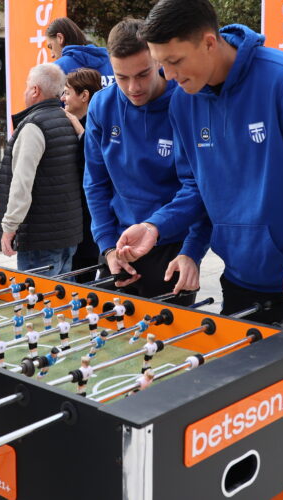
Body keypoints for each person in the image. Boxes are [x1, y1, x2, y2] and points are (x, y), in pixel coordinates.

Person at [118, 0, 283, 499]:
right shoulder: (184, 101)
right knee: (247, 405)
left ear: (210, 42)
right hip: (243, 280)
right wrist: (159, 228)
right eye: (162, 65)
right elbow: (197, 187)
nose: (168, 76)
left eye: (175, 62)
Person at [84, 18, 199, 303]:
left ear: (157, 59)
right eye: (121, 77)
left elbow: (199, 188)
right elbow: (95, 183)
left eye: (143, 74)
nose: (133, 87)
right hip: (117, 246)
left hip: (171, 246)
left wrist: (191, 250)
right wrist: (107, 247)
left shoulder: (188, 103)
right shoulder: (101, 105)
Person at [0, 63, 82, 275]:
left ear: (35, 90)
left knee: (36, 295)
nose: (25, 91)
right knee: (61, 293)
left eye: (27, 86)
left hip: (39, 238)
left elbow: (22, 183)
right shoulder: (67, 120)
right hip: (67, 232)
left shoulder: (34, 126)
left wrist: (9, 227)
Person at [61, 67, 102, 279]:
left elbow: (95, 165)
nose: (62, 98)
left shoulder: (99, 125)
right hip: (71, 221)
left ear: (84, 95)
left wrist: (80, 130)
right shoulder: (65, 125)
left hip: (89, 221)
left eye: (67, 93)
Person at [46, 17, 115, 87]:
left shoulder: (57, 69)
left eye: (51, 47)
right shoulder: (111, 63)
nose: (52, 55)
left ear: (60, 38)